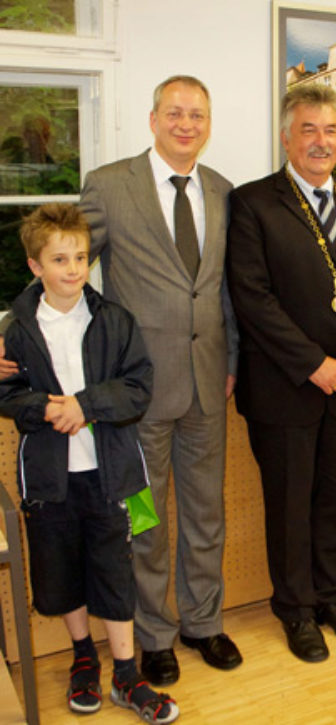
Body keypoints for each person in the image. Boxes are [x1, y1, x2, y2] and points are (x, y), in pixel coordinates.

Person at [0, 75, 243, 684]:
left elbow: (224, 289)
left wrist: (233, 359)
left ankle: (203, 623)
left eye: (197, 115)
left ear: (208, 124)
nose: (186, 124)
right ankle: (154, 634)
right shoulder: (110, 187)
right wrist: (11, 333)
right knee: (145, 516)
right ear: (154, 118)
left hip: (209, 382)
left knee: (206, 511)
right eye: (175, 113)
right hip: (137, 392)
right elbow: (60, 260)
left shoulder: (222, 190)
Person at [226, 84, 336, 663]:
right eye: (308, 130)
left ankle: (331, 596)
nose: (321, 142)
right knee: (290, 503)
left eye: (330, 130)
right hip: (286, 390)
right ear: (286, 137)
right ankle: (296, 610)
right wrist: (316, 365)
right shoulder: (254, 203)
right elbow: (252, 298)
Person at [0, 204, 178, 723]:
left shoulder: (114, 320)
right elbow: (8, 394)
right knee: (61, 572)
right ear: (36, 266)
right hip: (50, 479)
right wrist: (46, 408)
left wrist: (86, 405)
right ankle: (83, 658)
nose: (73, 268)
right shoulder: (17, 328)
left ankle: (126, 672)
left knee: (114, 570)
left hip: (112, 475)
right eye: (59, 259)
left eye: (80, 256)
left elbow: (138, 387)